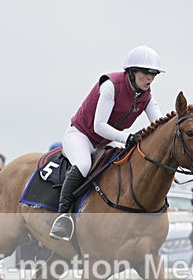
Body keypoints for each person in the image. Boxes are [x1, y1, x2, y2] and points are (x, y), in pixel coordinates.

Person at [49, 45, 164, 241]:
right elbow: (98, 126)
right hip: (81, 135)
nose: (150, 78)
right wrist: (126, 138)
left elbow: (160, 124)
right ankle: (63, 217)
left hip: (106, 142)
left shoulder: (146, 96)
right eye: (146, 73)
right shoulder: (111, 85)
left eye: (153, 74)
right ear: (132, 71)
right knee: (83, 165)